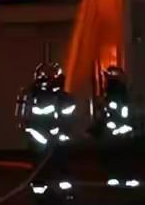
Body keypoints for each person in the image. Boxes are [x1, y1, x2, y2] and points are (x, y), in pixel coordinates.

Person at [16, 62, 77, 199]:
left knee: (61, 169)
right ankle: (41, 194)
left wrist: (58, 133)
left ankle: (65, 193)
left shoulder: (65, 99)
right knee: (41, 171)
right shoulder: (32, 97)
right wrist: (44, 136)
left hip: (58, 143)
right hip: (40, 142)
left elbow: (68, 120)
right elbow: (25, 122)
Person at [91, 66, 134, 139]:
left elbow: (124, 104)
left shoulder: (121, 90)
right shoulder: (108, 91)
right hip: (110, 120)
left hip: (120, 121)